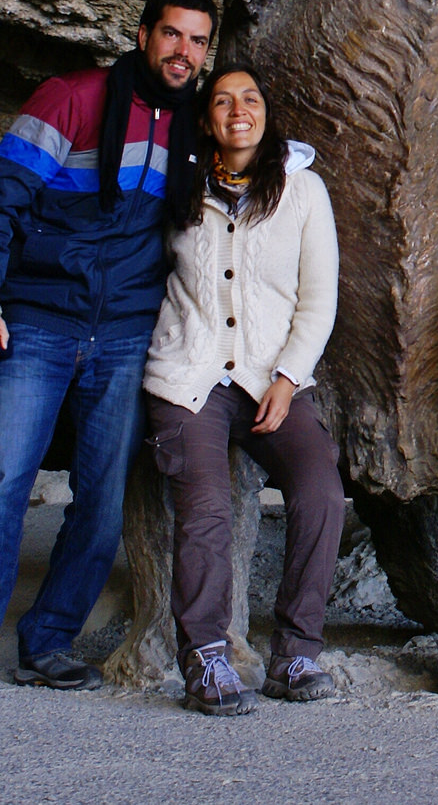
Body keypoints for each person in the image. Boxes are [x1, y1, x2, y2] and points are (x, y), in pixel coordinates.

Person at [0, 0, 216, 699]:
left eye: (198, 41)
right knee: (2, 483)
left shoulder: (195, 127)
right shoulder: (73, 98)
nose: (183, 52)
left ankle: (48, 641)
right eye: (172, 34)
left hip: (126, 332)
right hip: (39, 320)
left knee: (103, 499)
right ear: (144, 34)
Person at [141, 61, 342, 715]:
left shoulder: (302, 189)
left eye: (249, 98)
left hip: (270, 377)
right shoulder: (177, 184)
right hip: (188, 378)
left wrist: (287, 378)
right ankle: (205, 655)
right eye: (223, 101)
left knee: (320, 492)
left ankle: (295, 653)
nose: (238, 110)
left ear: (265, 113)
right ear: (206, 120)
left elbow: (319, 299)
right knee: (206, 507)